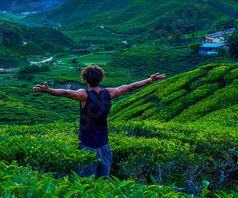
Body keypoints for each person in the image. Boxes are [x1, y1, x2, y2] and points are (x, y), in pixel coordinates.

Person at [33, 65, 165, 179]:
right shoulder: (109, 93)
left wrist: (49, 91)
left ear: (84, 79)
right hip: (104, 145)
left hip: (87, 146)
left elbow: (66, 93)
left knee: (85, 181)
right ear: (101, 78)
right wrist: (149, 80)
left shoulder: (84, 95)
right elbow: (129, 87)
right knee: (104, 180)